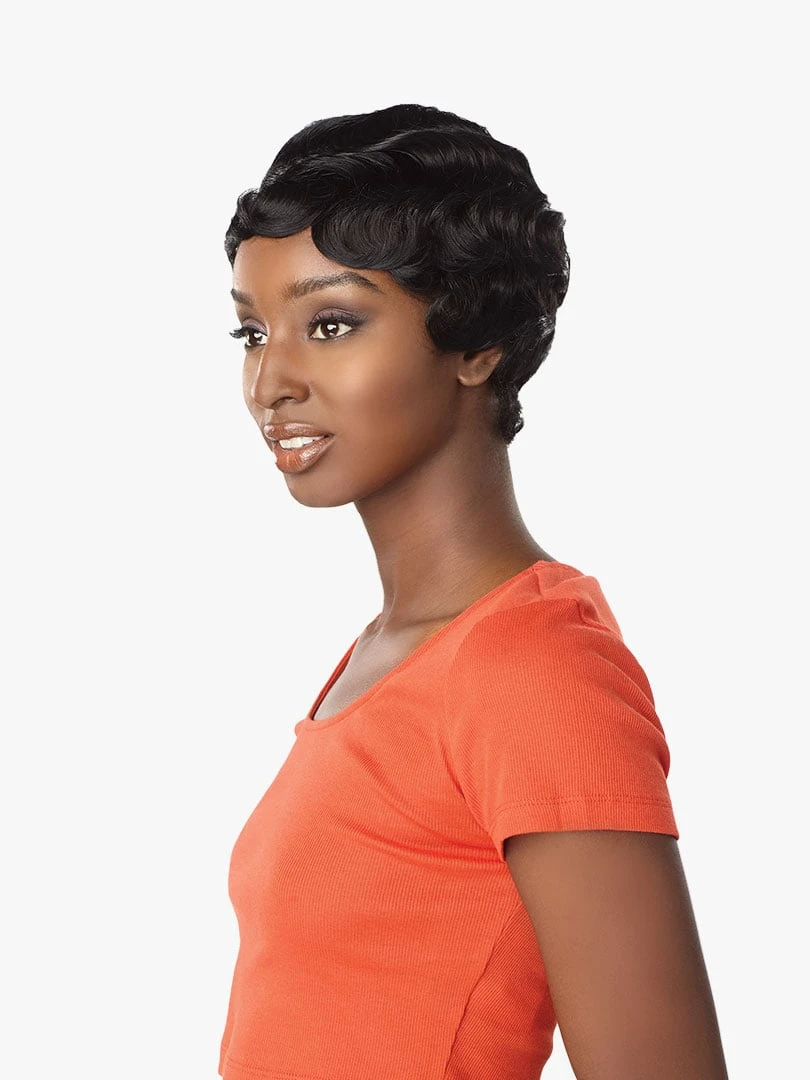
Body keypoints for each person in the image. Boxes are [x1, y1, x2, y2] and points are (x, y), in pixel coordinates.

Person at [218, 103, 729, 1080]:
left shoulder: (534, 670)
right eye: (250, 331)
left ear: (477, 343)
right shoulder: (395, 651)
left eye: (331, 324)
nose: (270, 380)